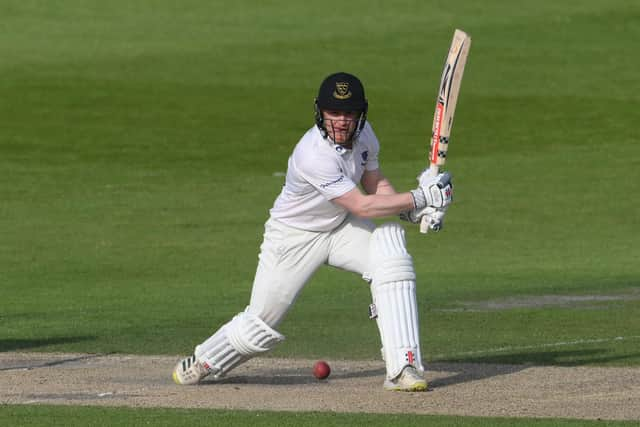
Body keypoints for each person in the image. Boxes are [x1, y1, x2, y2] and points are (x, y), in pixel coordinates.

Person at [172, 72, 453, 391]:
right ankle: (203, 360)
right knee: (260, 325)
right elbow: (362, 206)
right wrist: (420, 197)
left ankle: (404, 367)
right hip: (294, 237)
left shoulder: (365, 136)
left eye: (349, 113)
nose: (342, 121)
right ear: (320, 113)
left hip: (340, 226)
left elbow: (374, 184)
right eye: (334, 113)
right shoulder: (313, 154)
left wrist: (411, 210)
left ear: (361, 114)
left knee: (391, 254)